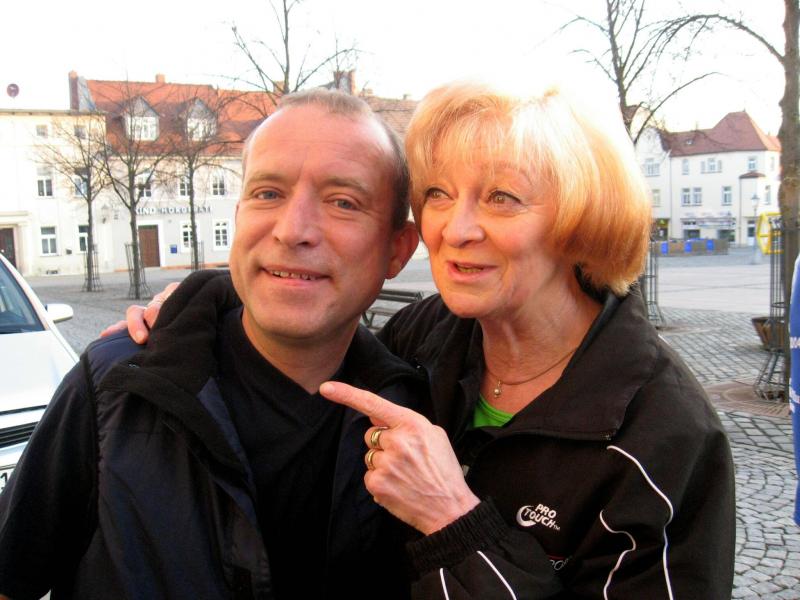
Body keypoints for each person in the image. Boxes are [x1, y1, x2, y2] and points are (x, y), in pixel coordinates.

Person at [113, 80, 736, 599]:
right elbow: (312, 318)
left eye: (501, 198)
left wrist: (454, 521)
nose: (455, 229)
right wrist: (203, 308)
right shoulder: (422, 339)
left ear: (583, 217)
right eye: (438, 194)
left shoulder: (662, 435)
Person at [0, 89, 421, 599]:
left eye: (343, 202)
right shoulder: (116, 387)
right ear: (239, 215)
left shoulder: (415, 412)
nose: (293, 230)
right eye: (268, 193)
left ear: (398, 249)